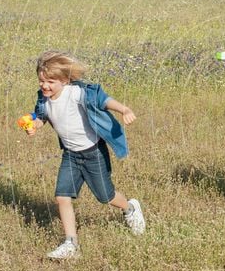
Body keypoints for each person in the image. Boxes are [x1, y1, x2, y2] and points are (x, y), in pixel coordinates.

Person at [25, 51, 145, 259]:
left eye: (51, 82)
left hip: (93, 153)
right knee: (62, 197)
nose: (45, 86)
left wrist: (124, 109)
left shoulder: (77, 93)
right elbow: (41, 116)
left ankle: (130, 208)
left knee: (105, 196)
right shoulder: (43, 99)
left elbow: (103, 100)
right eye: (42, 81)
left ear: (65, 80)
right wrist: (34, 125)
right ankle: (71, 244)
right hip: (70, 155)